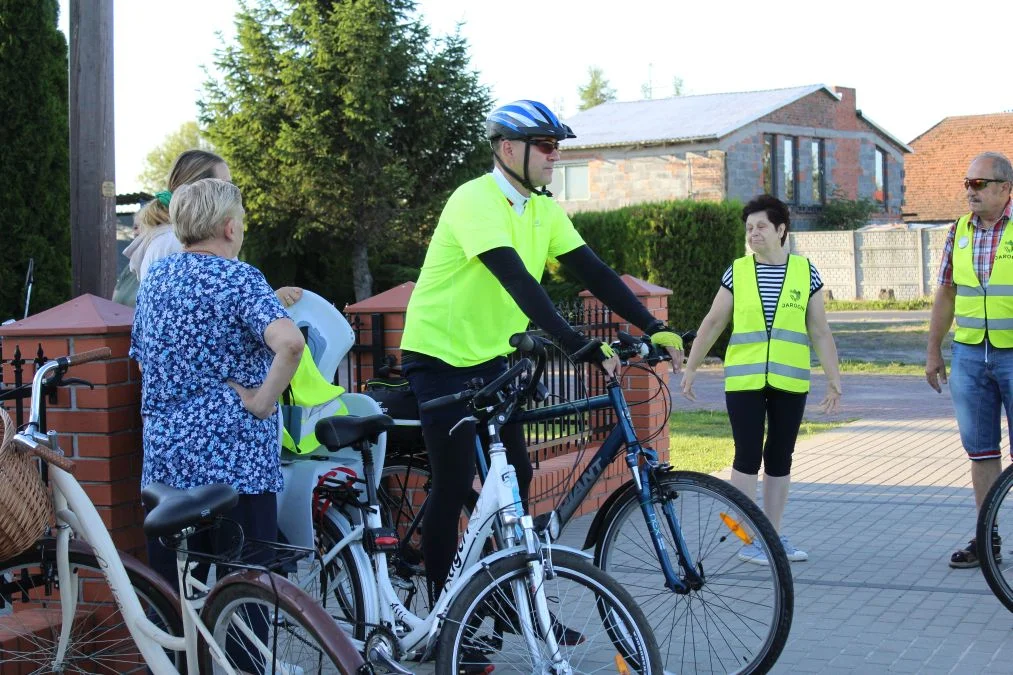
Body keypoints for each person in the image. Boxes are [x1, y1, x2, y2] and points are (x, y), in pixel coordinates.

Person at [399, 99, 685, 609]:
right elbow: (516, 282)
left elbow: (594, 272)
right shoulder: (475, 200)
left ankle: (513, 601)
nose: (555, 156)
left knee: (519, 476)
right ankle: (444, 619)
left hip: (491, 360)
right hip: (439, 357)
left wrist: (653, 325)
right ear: (509, 149)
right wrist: (578, 344)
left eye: (557, 146)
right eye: (546, 146)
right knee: (452, 481)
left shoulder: (542, 209)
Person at [129, 178, 305, 593]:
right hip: (235, 462)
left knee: (172, 593)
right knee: (243, 594)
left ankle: (177, 660)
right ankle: (239, 661)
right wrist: (262, 403)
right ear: (229, 227)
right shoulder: (238, 278)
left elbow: (141, 359)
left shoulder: (156, 279)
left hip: (168, 461)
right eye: (241, 221)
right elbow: (291, 344)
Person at [681, 194, 841, 565]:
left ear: (781, 229)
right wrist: (691, 368)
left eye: (761, 227)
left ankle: (771, 536)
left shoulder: (806, 272)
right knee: (748, 454)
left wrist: (834, 380)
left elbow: (820, 331)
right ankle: (747, 537)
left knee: (780, 456)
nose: (753, 233)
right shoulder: (737, 271)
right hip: (744, 380)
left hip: (790, 380)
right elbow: (713, 321)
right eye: (749, 228)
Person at [926, 151, 1013, 569]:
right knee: (980, 451)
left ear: (1004, 187)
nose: (970, 191)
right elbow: (945, 293)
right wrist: (932, 351)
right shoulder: (958, 232)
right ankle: (987, 540)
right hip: (969, 356)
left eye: (978, 184)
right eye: (967, 183)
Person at [131, 148, 303, 308]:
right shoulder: (177, 242)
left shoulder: (167, 241)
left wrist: (268, 300)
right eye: (225, 185)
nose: (232, 193)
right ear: (201, 190)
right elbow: (215, 315)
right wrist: (269, 304)